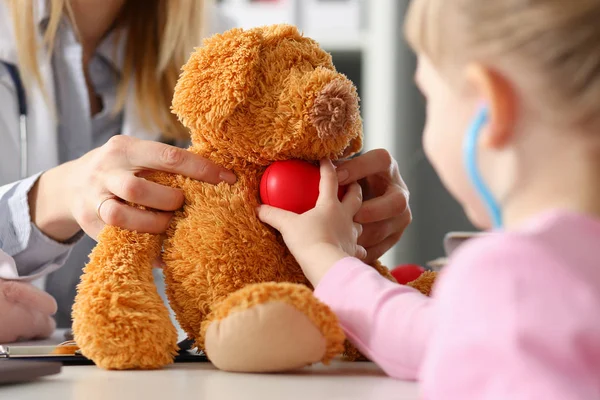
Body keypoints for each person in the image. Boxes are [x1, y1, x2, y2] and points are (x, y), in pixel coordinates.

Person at [0, 0, 411, 343]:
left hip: (188, 365)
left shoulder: (220, 44)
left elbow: (265, 168)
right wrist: (50, 197)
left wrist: (342, 191)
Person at [258, 0, 600, 398]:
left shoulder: (511, 276)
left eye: (429, 98)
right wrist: (326, 257)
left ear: (490, 106)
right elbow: (427, 334)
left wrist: (320, 250)